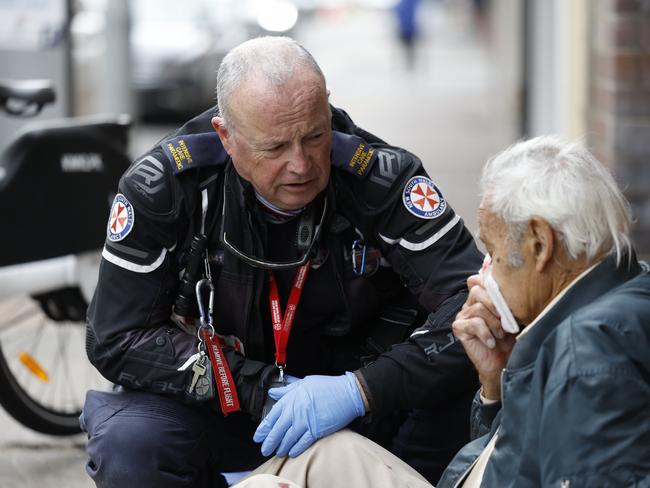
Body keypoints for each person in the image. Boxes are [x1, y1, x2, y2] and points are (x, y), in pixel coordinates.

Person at [80, 36, 483, 488]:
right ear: (226, 136)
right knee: (129, 445)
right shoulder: (164, 189)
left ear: (327, 109)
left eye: (314, 136)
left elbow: (475, 303)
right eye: (275, 148)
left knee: (473, 375)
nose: (301, 164)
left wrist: (362, 390)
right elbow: (116, 336)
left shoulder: (384, 180)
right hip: (216, 405)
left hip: (360, 404)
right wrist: (260, 387)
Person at [233, 135, 650, 487]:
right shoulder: (623, 291)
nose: (480, 277)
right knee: (310, 454)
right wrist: (494, 386)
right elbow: (514, 456)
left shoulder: (588, 352)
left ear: (539, 244)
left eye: (494, 252)